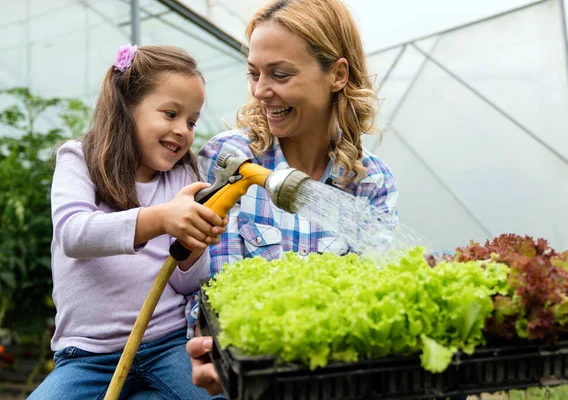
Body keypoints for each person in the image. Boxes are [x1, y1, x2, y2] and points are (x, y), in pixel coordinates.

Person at [185, 0, 399, 395]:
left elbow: (370, 308)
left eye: (280, 74)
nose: (261, 91)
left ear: (337, 75)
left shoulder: (371, 183)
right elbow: (213, 297)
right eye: (253, 74)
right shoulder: (228, 159)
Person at [29, 44, 227, 400]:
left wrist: (194, 248)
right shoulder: (80, 160)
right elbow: (75, 234)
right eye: (170, 114)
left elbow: (185, 285)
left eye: (192, 121)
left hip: (167, 344)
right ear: (127, 106)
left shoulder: (183, 177)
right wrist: (163, 218)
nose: (183, 130)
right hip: (87, 357)